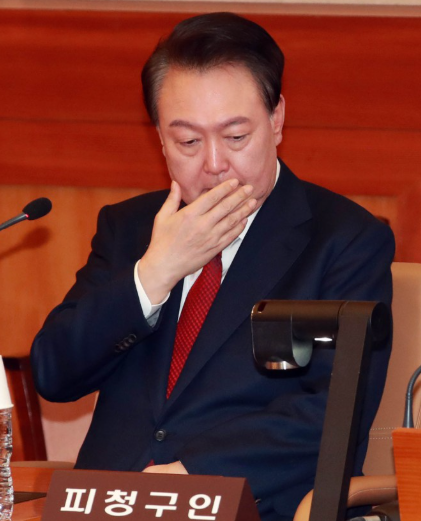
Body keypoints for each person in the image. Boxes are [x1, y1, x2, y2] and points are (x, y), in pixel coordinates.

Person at [31, 12, 395, 521]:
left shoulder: (344, 240)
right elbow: (54, 374)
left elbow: (334, 414)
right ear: (160, 138)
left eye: (236, 136)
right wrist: (154, 274)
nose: (215, 164)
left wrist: (193, 474)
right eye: (188, 142)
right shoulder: (131, 228)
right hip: (110, 506)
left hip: (250, 505)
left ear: (277, 119)